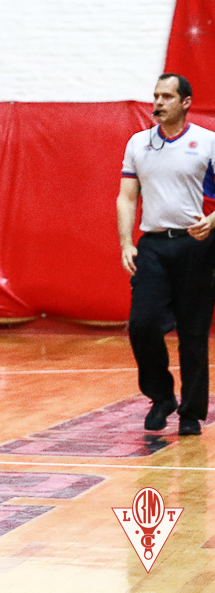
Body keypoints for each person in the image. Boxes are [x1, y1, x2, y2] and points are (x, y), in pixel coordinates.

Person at [117, 73, 215, 438]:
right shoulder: (138, 144)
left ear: (185, 102)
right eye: (155, 96)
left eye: (167, 97)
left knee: (193, 332)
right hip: (154, 244)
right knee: (142, 324)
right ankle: (161, 397)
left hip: (196, 244)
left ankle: (190, 413)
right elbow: (127, 196)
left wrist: (212, 220)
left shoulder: (207, 143)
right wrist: (127, 241)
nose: (158, 102)